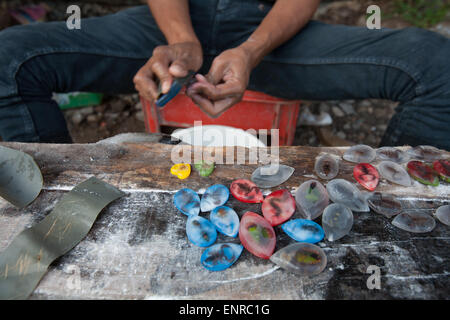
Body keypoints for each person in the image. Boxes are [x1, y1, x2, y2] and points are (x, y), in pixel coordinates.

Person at [0, 0, 449, 149]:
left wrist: (251, 51)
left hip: (266, 28)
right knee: (9, 57)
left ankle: (386, 216)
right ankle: (54, 220)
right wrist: (183, 40)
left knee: (437, 65)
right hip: (169, 22)